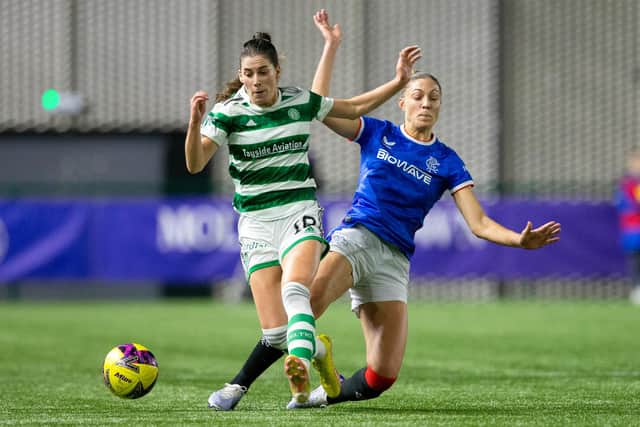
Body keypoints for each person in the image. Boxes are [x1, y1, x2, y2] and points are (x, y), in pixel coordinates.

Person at [292, 10, 561, 408]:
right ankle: (274, 373)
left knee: (381, 376)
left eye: (434, 98)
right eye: (417, 96)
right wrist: (331, 45)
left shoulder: (448, 161)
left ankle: (320, 394)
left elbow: (480, 222)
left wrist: (518, 240)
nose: (426, 103)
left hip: (395, 259)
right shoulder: (378, 132)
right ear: (401, 102)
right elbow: (320, 108)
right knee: (308, 305)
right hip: (357, 237)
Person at [185, 23, 422, 410]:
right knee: (276, 332)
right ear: (240, 75)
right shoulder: (226, 114)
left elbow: (354, 107)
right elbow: (195, 164)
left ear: (278, 72)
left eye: (263, 72)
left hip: (298, 212)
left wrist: (398, 82)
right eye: (248, 73)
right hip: (256, 224)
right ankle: (321, 357)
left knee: (295, 290)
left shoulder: (299, 102)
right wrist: (195, 123)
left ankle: (298, 376)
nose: (256, 81)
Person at [615, 149, 640, 305]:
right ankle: (636, 290)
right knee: (635, 261)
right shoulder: (627, 186)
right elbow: (624, 205)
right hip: (633, 231)